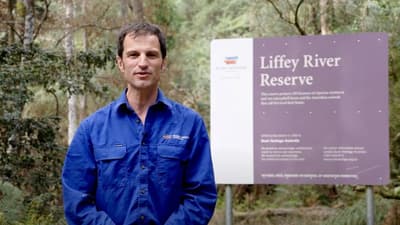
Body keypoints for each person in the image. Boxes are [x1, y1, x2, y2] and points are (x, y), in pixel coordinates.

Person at [62, 22, 217, 225]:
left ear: (163, 63)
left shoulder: (190, 125)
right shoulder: (91, 129)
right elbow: (76, 200)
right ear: (120, 63)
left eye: (151, 55)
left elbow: (201, 196)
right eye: (133, 55)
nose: (142, 63)